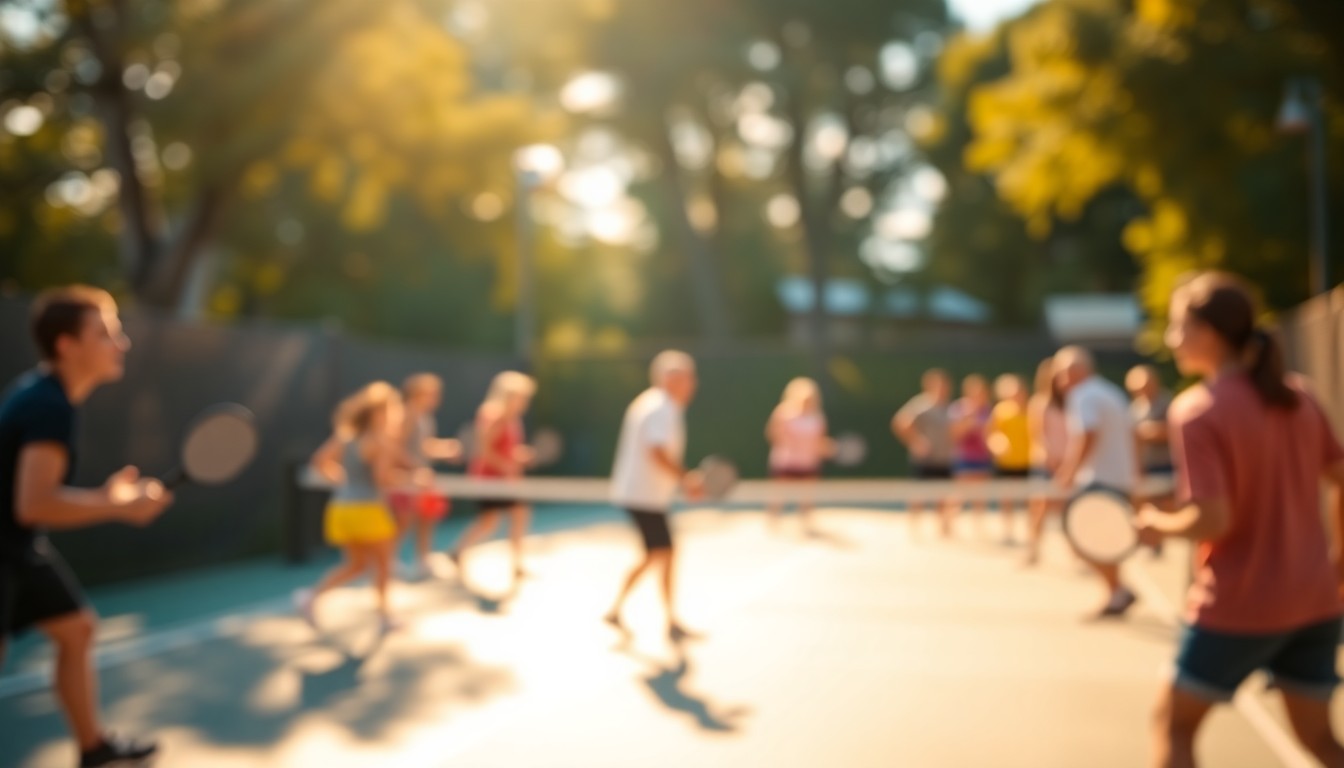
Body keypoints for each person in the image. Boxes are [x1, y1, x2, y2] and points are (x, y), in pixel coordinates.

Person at [1136, 273, 1344, 768]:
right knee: (1320, 741)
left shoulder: (1197, 410)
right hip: (1316, 601)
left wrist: (1155, 523)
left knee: (1173, 725)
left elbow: (1213, 518)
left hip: (1240, 603)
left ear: (1208, 332)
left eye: (1177, 327)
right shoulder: (1301, 395)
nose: (1171, 340)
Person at [0, 286, 172, 767]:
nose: (122, 343)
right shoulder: (47, 406)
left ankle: (92, 747)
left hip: (16, 547)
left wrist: (110, 499)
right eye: (105, 333)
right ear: (66, 345)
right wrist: (117, 506)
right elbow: (32, 503)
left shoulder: (48, 395)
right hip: (7, 544)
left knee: (76, 629)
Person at [605, 350, 704, 641]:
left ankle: (646, 614)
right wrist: (687, 479)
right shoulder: (661, 407)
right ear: (668, 380)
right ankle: (655, 616)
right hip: (642, 496)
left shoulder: (656, 404)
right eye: (684, 378)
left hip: (646, 496)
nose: (690, 384)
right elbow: (656, 451)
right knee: (661, 553)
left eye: (689, 378)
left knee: (661, 553)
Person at [295, 382, 407, 634]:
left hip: (341, 509)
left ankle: (311, 597)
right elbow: (382, 479)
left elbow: (319, 461)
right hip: (367, 510)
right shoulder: (380, 441)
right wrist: (413, 480)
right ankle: (385, 617)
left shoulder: (346, 437)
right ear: (379, 413)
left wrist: (344, 481)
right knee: (384, 565)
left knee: (356, 565)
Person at [1054, 346, 1140, 617]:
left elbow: (1087, 435)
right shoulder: (1111, 392)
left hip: (1099, 480)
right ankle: (1117, 592)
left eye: (1063, 372)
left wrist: (1069, 472)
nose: (1060, 380)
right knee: (1104, 539)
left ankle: (1117, 591)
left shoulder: (1083, 395)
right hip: (1117, 478)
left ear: (1077, 371)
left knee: (1082, 537)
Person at [448, 371, 537, 587]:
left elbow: (505, 449)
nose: (525, 401)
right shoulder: (496, 415)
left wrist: (517, 457)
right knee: (502, 518)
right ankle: (460, 551)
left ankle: (461, 552)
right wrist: (506, 466)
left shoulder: (512, 417)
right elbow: (484, 451)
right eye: (521, 396)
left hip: (503, 481)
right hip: (490, 480)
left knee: (502, 518)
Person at [389, 373, 461, 580]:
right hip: (406, 479)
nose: (435, 398)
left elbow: (422, 447)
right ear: (417, 393)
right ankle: (391, 560)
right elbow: (395, 447)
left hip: (421, 479)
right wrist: (413, 469)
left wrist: (443, 449)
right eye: (431, 394)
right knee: (403, 520)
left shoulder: (424, 417)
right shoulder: (407, 414)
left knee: (426, 517)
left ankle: (423, 560)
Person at [892, 369, 954, 536]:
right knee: (919, 494)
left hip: (944, 458)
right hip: (925, 459)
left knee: (944, 495)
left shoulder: (949, 407)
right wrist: (916, 441)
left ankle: (943, 528)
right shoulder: (921, 404)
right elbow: (900, 422)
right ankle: (914, 527)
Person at [764, 377, 828, 534]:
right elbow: (772, 433)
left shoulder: (817, 417)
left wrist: (823, 448)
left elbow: (820, 441)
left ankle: (806, 522)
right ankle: (773, 521)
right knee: (779, 493)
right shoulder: (783, 413)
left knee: (806, 495)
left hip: (808, 462)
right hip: (786, 461)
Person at [1024, 358, 1068, 567]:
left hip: (1067, 464)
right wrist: (1050, 458)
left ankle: (1076, 551)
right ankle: (1032, 549)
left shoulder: (1071, 402)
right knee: (1039, 508)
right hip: (1045, 464)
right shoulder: (1039, 402)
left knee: (1068, 508)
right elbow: (1037, 436)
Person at [987, 374, 1031, 544]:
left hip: (1027, 462)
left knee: (1029, 500)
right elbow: (992, 434)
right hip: (1006, 463)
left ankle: (1030, 532)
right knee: (1007, 498)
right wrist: (997, 445)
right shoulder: (1001, 411)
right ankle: (1007, 531)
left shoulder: (1032, 409)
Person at [949, 374, 994, 534]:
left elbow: (990, 434)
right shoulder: (959, 408)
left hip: (982, 457)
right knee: (960, 493)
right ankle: (948, 523)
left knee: (980, 495)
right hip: (965, 457)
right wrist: (968, 422)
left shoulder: (987, 410)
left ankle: (978, 527)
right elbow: (955, 435)